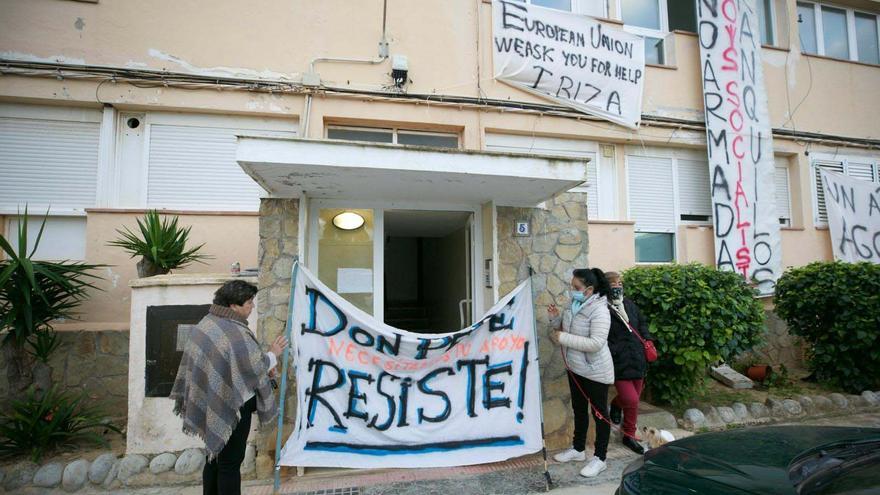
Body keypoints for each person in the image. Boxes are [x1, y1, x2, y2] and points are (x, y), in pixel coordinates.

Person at [170, 280, 288, 495]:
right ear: (234, 305)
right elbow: (254, 366)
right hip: (233, 407)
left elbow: (233, 368)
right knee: (230, 464)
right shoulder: (234, 332)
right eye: (249, 302)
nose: (252, 307)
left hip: (214, 402)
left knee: (214, 459)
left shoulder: (207, 323)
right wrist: (273, 354)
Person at [547, 268, 614, 478]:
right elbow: (567, 329)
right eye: (572, 286)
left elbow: (595, 343)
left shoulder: (600, 310)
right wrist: (555, 319)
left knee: (600, 414)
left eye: (576, 287)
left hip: (595, 371)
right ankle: (578, 450)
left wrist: (563, 338)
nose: (572, 290)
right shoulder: (574, 304)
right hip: (575, 367)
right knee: (579, 409)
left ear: (589, 290)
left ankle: (600, 458)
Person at [604, 271, 653, 455]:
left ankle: (616, 405)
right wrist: (614, 349)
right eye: (613, 283)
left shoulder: (630, 305)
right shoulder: (604, 308)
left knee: (632, 396)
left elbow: (642, 324)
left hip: (637, 357)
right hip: (619, 361)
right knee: (632, 399)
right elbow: (602, 335)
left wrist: (647, 340)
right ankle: (629, 435)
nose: (617, 286)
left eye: (619, 283)